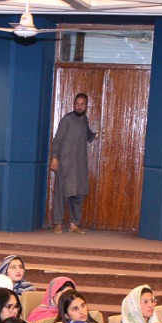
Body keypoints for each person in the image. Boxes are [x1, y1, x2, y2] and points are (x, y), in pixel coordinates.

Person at [48, 93, 95, 233]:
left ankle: (74, 225)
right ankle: (58, 223)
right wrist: (54, 157)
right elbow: (57, 139)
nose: (79, 107)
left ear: (86, 106)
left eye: (82, 104)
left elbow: (89, 136)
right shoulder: (67, 119)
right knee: (61, 193)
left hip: (80, 164)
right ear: (74, 104)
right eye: (77, 104)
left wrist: (98, 134)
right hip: (65, 163)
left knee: (78, 194)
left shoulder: (84, 120)